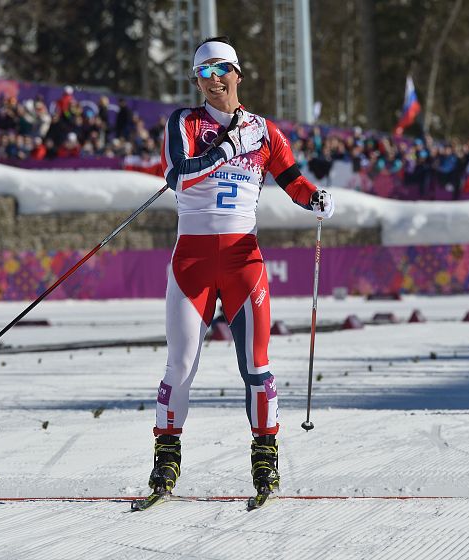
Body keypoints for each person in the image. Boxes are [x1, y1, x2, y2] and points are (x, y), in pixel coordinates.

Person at [141, 36, 335, 503]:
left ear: (237, 73)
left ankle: (265, 457)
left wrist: (315, 198)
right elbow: (182, 173)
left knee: (257, 366)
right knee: (180, 364)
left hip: (243, 260)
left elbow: (291, 178)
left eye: (219, 70)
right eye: (202, 74)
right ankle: (166, 460)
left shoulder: (266, 132)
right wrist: (228, 149)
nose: (211, 81)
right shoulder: (184, 122)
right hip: (192, 260)